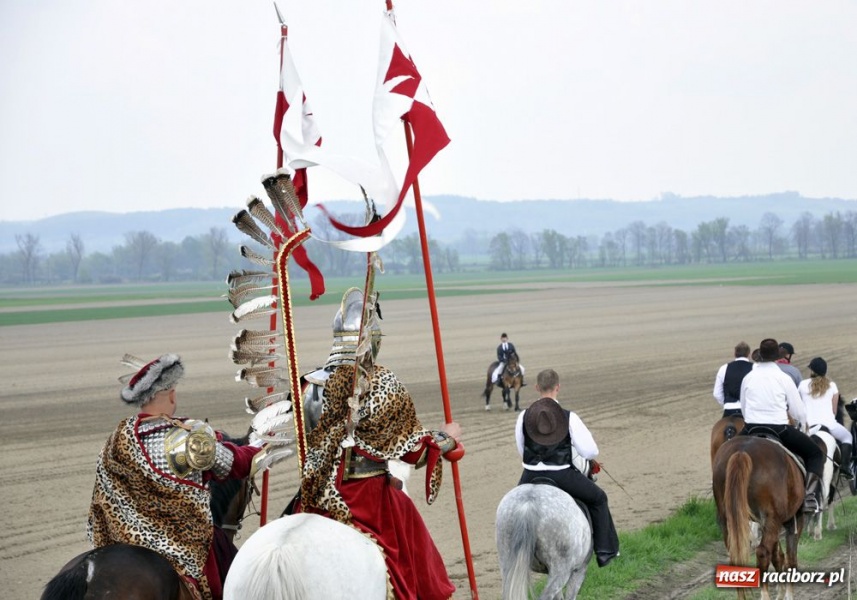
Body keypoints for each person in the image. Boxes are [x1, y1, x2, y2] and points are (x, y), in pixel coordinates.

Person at [298, 288, 461, 600]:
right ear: (372, 338)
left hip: (315, 497)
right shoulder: (382, 383)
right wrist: (447, 438)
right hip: (367, 500)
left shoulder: (307, 384)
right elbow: (415, 452)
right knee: (418, 570)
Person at [87, 353, 264, 600]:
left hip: (121, 541)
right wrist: (264, 442)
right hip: (180, 546)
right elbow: (239, 464)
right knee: (230, 566)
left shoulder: (115, 440)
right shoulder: (188, 438)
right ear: (170, 393)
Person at [515, 368, 620, 567]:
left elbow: (522, 448)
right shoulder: (568, 417)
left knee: (512, 509)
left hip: (529, 475)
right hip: (561, 474)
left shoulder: (523, 417)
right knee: (599, 499)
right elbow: (590, 452)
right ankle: (606, 550)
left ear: (537, 388)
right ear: (558, 388)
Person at [739, 338, 825, 512]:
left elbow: (743, 406)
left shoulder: (748, 377)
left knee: (726, 450)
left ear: (760, 355)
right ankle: (809, 497)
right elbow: (798, 412)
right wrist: (801, 427)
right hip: (779, 428)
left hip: (751, 427)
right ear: (777, 356)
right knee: (816, 453)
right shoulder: (783, 378)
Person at [799, 357, 853, 480]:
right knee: (847, 437)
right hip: (829, 425)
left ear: (812, 370)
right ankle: (845, 467)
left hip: (809, 428)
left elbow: (799, 406)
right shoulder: (832, 386)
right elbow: (834, 411)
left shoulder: (802, 385)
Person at [712, 341, 753, 418]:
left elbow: (716, 393)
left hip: (729, 408)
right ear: (748, 354)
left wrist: (727, 403)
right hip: (749, 409)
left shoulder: (724, 368)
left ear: (735, 353)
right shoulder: (755, 368)